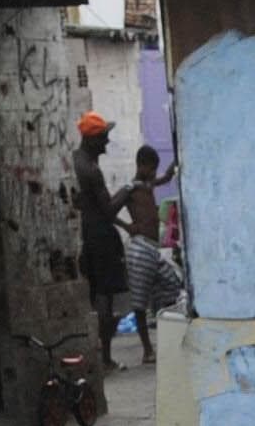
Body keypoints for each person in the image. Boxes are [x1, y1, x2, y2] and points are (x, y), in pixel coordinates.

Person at [117, 144, 185, 365]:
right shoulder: (130, 188)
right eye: (152, 169)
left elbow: (166, 177)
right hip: (139, 248)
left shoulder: (147, 185)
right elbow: (109, 208)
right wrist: (127, 227)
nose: (155, 173)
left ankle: (166, 338)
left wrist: (177, 154)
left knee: (172, 284)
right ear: (141, 165)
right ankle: (147, 350)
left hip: (152, 248)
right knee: (139, 301)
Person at [74, 112, 130, 367]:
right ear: (93, 139)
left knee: (99, 297)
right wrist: (129, 189)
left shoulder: (78, 162)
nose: (107, 143)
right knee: (107, 301)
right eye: (104, 138)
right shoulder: (90, 170)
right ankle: (105, 357)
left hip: (90, 236)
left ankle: (102, 357)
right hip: (99, 239)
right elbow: (108, 210)